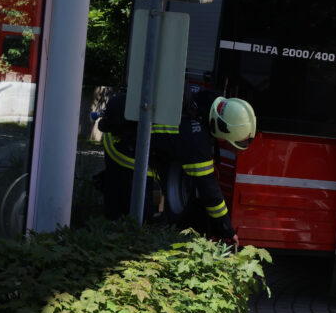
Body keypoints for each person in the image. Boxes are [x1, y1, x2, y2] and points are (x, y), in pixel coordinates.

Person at [98, 89, 256, 245]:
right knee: (149, 216)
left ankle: (112, 230)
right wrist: (227, 229)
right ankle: (119, 245)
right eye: (226, 141)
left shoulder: (204, 100)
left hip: (132, 142)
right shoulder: (196, 142)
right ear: (220, 127)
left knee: (131, 202)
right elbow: (210, 193)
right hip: (123, 148)